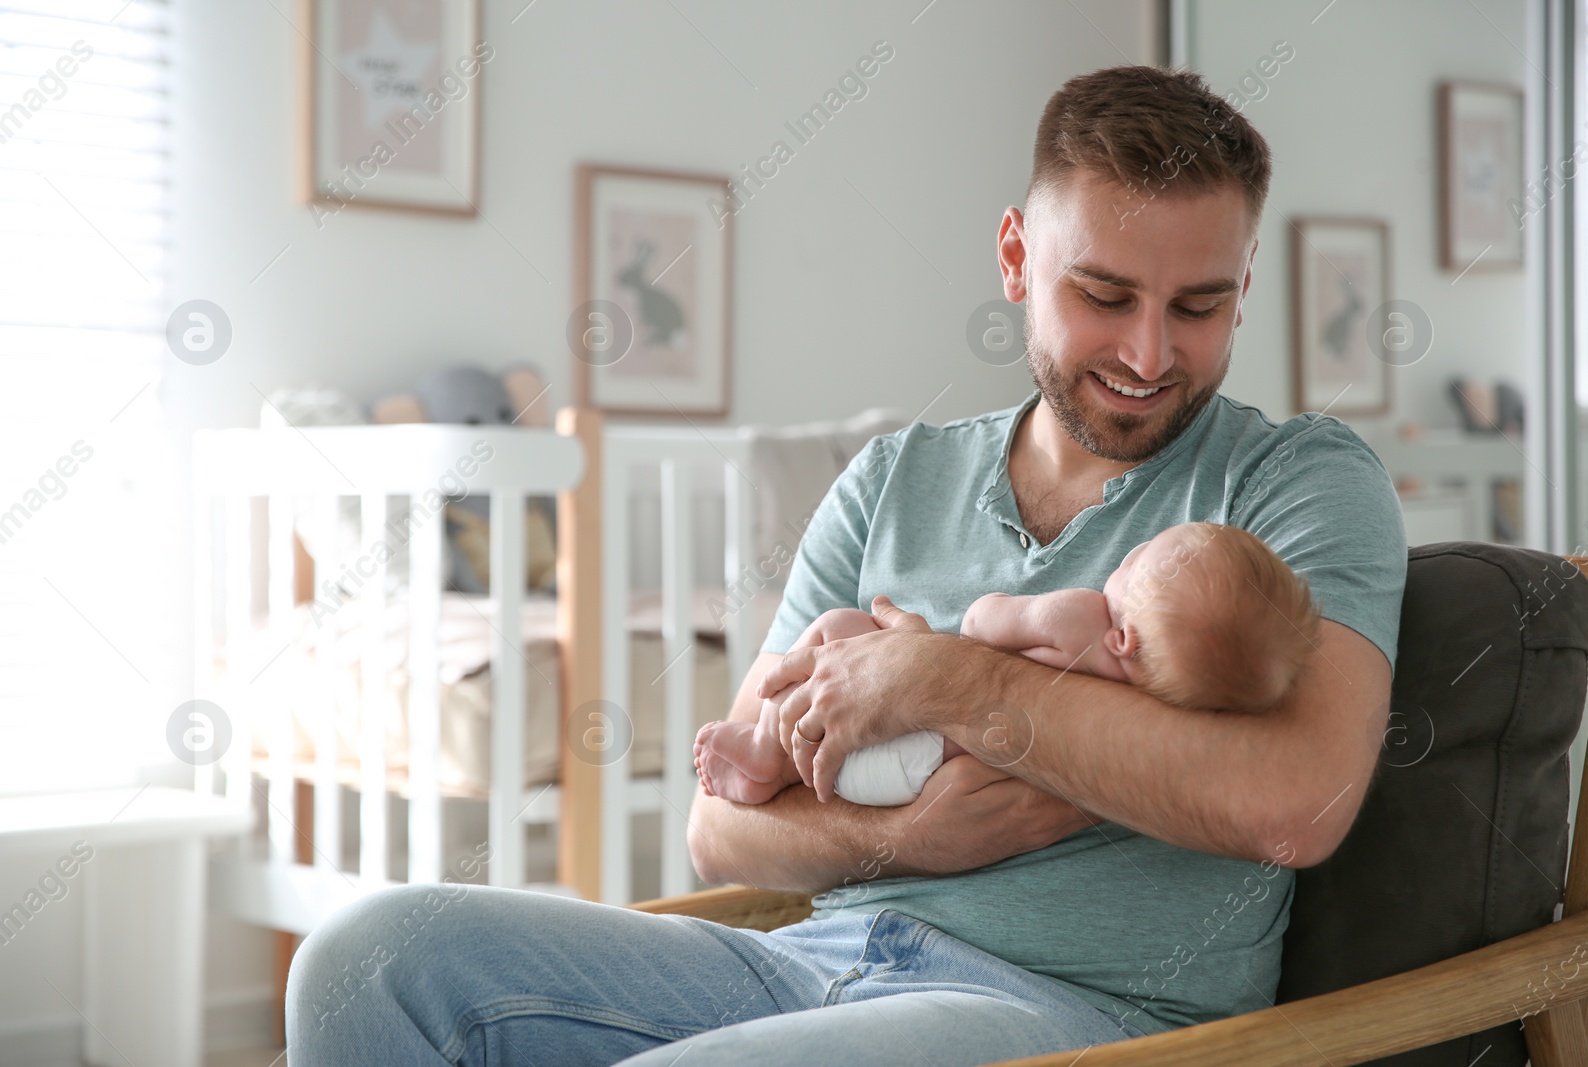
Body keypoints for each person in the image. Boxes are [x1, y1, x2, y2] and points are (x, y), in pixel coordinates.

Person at [286, 65, 1406, 1066]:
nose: (1148, 353)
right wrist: (903, 840)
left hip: (1081, 1013)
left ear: (1244, 286)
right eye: (1103, 295)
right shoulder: (892, 477)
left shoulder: (1295, 484)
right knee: (367, 959)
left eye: (1198, 306)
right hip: (811, 960)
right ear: (1017, 257)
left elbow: (1293, 804)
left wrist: (942, 679)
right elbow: (722, 828)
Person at [693, 522, 1321, 808]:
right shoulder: (1156, 705)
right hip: (916, 780)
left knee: (840, 632)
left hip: (907, 749)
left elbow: (977, 625)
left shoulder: (1082, 617)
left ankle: (765, 753)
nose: (1129, 554)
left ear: (1125, 639)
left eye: (1142, 558)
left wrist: (914, 646)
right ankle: (771, 768)